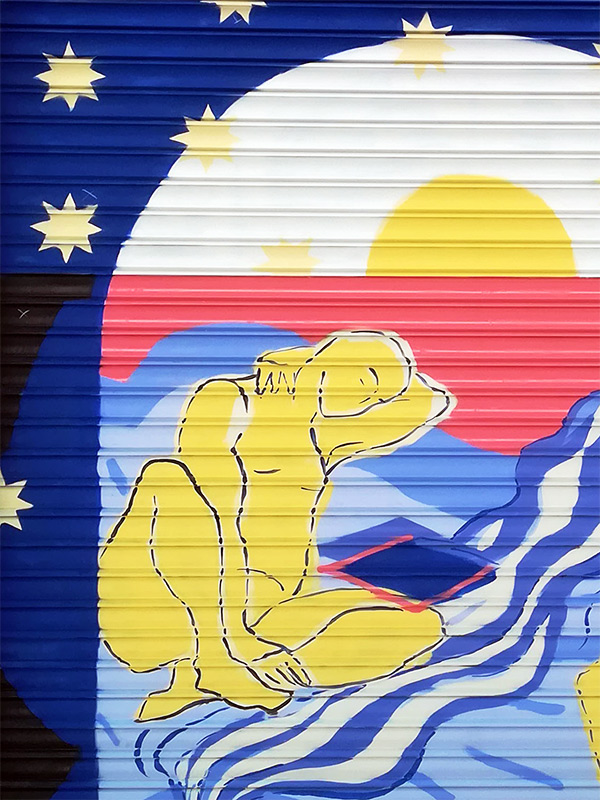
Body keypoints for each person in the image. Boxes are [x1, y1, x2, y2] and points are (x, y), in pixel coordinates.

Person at [99, 330, 455, 721]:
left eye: (375, 395)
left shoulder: (328, 436)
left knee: (422, 625)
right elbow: (212, 508)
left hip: (264, 614)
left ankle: (241, 676)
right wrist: (294, 364)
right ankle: (218, 656)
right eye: (360, 380)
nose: (363, 398)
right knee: (168, 478)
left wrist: (297, 364)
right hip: (169, 605)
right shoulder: (230, 398)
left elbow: (430, 400)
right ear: (325, 360)